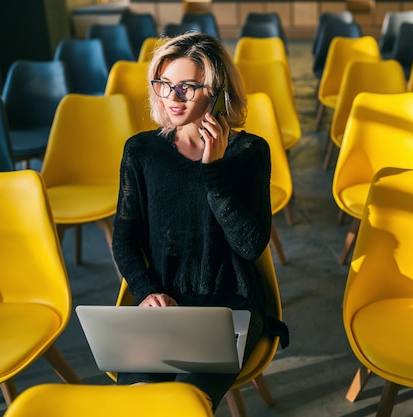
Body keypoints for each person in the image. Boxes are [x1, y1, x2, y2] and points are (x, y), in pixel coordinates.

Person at [112, 31, 288, 410]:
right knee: (135, 402)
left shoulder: (250, 152)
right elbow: (125, 238)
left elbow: (251, 244)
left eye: (187, 87)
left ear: (217, 92)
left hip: (231, 304)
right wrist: (146, 291)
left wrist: (214, 171)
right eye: (164, 84)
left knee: (184, 404)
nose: (172, 98)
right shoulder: (141, 151)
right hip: (164, 303)